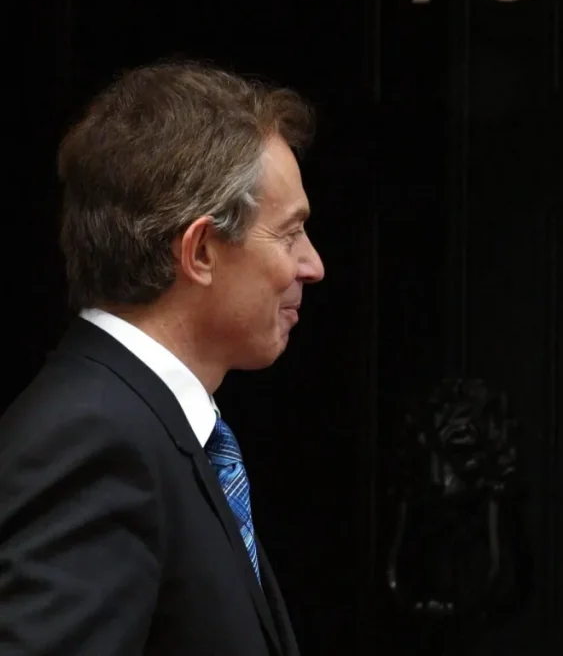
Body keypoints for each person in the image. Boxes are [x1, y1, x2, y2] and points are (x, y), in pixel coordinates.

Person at [0, 61, 325, 655]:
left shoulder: (141, 424)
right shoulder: (96, 439)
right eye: (289, 233)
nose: (313, 265)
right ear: (199, 252)